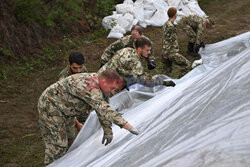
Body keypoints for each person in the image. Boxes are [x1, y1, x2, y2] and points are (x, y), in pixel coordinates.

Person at [38, 70, 140, 165]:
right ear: (104, 81)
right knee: (58, 146)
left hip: (66, 111)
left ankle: (64, 163)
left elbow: (102, 110)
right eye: (112, 88)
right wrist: (129, 127)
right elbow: (104, 109)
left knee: (70, 139)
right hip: (51, 108)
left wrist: (107, 130)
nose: (113, 92)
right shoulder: (89, 87)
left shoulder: (102, 87)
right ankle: (52, 164)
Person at [98, 37, 175, 89]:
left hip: (99, 76)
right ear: (139, 49)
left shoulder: (127, 50)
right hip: (105, 84)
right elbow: (144, 80)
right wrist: (164, 83)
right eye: (147, 50)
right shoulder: (134, 61)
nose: (149, 52)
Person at [162, 7, 191, 75]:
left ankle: (164, 84)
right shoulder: (171, 27)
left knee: (166, 73)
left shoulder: (166, 24)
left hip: (164, 52)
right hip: (171, 53)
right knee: (188, 65)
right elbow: (170, 39)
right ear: (175, 15)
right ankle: (182, 81)